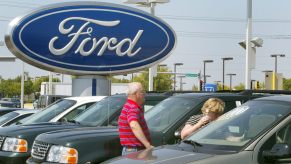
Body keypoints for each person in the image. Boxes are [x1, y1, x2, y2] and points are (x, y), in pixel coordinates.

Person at [118, 82, 153, 155]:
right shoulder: (133, 108)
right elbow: (134, 125)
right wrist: (147, 145)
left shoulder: (128, 106)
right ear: (136, 94)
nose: (144, 94)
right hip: (135, 151)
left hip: (131, 151)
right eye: (142, 92)